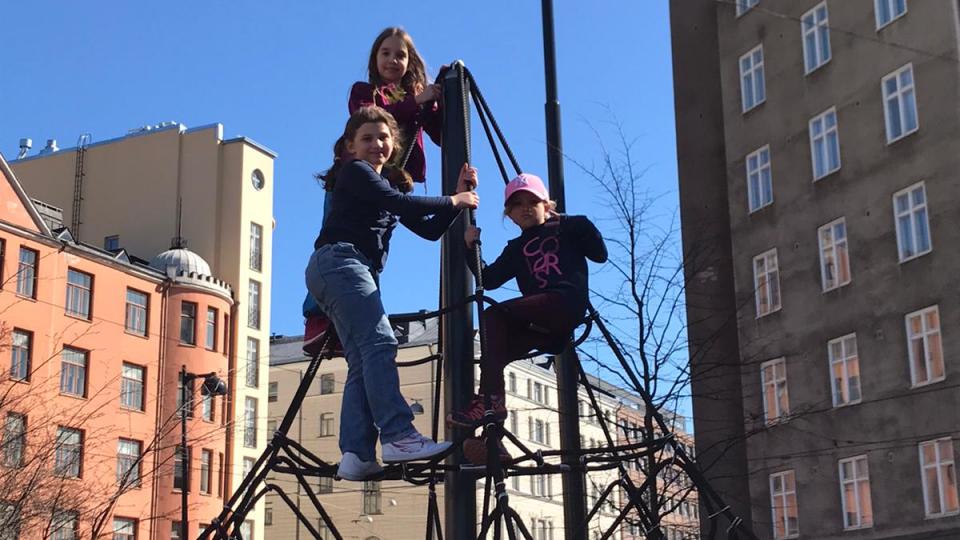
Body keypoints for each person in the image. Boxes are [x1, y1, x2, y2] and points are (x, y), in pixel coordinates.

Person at [305, 106, 478, 479]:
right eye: (366, 138)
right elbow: (398, 204)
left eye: (383, 138)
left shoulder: (386, 186)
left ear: (394, 144)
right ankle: (399, 434)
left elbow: (430, 231)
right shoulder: (355, 173)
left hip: (340, 268)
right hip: (341, 262)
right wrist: (454, 200)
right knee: (381, 344)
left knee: (364, 359)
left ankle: (356, 454)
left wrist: (457, 198)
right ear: (350, 147)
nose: (376, 144)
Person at [303, 26, 443, 355]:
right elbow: (372, 118)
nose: (393, 59)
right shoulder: (365, 91)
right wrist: (416, 101)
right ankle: (317, 318)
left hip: (391, 179)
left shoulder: (414, 97)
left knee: (372, 247)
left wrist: (437, 101)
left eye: (401, 54)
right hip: (354, 181)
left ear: (410, 62)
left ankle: (353, 316)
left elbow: (439, 133)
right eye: (386, 53)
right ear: (374, 58)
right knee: (335, 239)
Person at [448, 173, 607, 432]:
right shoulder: (517, 248)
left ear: (547, 205)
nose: (525, 209)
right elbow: (489, 279)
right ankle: (492, 431)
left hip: (564, 301)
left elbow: (600, 254)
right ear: (509, 215)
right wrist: (471, 247)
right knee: (494, 353)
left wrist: (569, 221)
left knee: (493, 316)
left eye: (532, 202)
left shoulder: (566, 230)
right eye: (517, 205)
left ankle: (493, 402)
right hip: (543, 324)